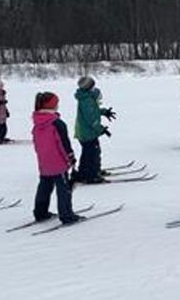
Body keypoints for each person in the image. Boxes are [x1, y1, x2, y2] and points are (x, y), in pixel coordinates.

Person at [31, 92, 81, 225]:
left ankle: (40, 212)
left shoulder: (37, 123)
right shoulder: (57, 123)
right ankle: (67, 215)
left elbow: (36, 144)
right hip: (58, 163)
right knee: (63, 188)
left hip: (44, 161)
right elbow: (64, 144)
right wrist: (71, 158)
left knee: (44, 186)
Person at [73, 75, 116, 183]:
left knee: (88, 152)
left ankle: (86, 172)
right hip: (87, 132)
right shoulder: (86, 100)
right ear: (88, 88)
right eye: (92, 86)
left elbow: (94, 111)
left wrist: (104, 112)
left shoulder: (87, 97)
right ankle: (91, 175)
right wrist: (101, 129)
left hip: (85, 132)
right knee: (92, 153)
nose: (94, 88)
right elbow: (91, 119)